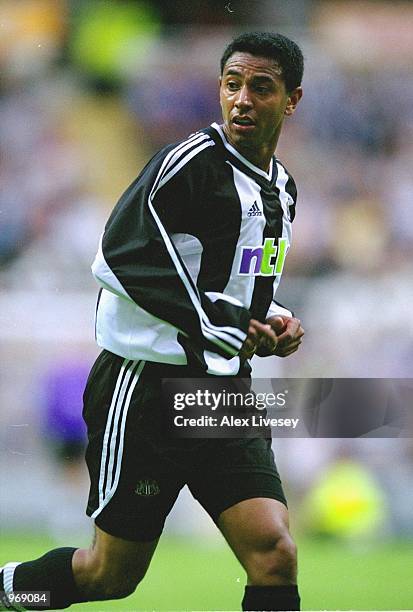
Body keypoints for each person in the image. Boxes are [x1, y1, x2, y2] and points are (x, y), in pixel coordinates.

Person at [1, 31, 305, 611]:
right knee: (108, 576)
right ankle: (10, 587)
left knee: (275, 553)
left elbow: (247, 289)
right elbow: (120, 254)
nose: (241, 99)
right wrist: (227, 327)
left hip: (222, 395)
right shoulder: (188, 163)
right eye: (231, 84)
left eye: (260, 88)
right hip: (144, 387)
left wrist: (279, 320)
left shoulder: (282, 190)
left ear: (291, 100)